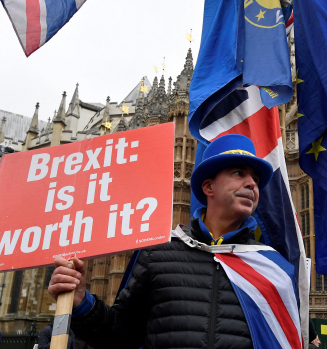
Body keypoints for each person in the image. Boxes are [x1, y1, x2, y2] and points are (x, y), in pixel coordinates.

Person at [48, 134, 298, 349]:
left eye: (255, 178)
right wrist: (81, 302)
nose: (252, 183)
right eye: (238, 173)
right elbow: (121, 337)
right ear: (208, 187)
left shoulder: (273, 269)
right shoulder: (159, 252)